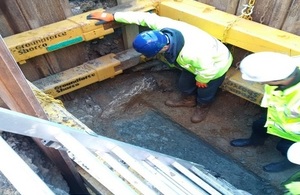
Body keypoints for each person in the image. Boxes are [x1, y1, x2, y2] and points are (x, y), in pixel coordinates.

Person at [87, 11, 233, 123]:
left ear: (163, 48)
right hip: (195, 65)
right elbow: (143, 17)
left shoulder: (192, 53)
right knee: (184, 83)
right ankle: (189, 100)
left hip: (215, 65)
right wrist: (113, 16)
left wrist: (202, 79)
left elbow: (208, 68)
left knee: (205, 90)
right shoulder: (164, 30)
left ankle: (202, 106)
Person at [230, 51, 300, 172]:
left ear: (276, 79)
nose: (261, 83)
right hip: (277, 114)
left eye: (263, 81)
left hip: (295, 129)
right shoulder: (287, 65)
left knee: (286, 148)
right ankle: (255, 141)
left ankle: (288, 162)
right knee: (259, 125)